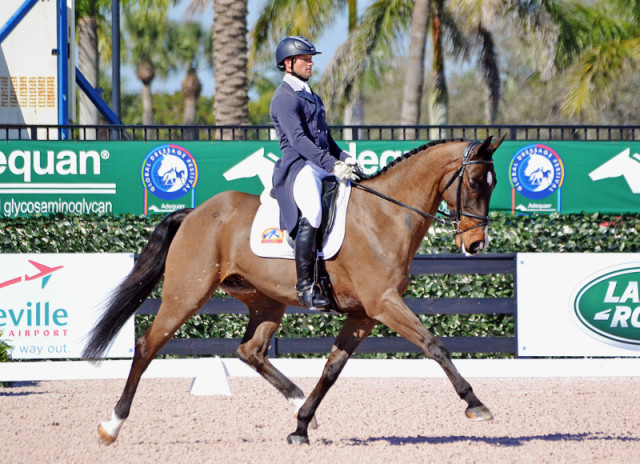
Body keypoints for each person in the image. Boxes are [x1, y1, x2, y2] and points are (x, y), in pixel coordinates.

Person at [270, 35, 361, 310]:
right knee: (314, 210)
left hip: (318, 163)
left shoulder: (312, 96)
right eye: (305, 59)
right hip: (298, 167)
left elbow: (326, 140)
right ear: (288, 64)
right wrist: (332, 164)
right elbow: (299, 141)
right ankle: (306, 287)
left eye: (311, 59)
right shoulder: (284, 98)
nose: (311, 64)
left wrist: (345, 158)